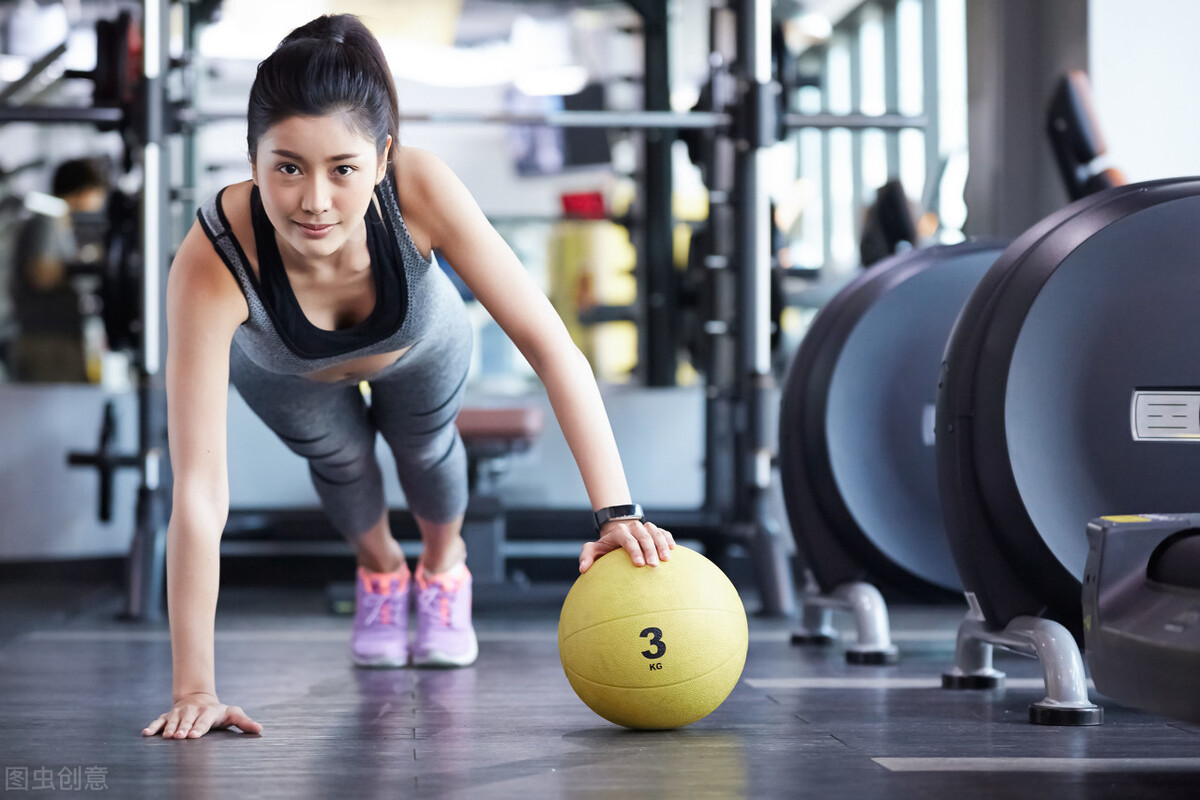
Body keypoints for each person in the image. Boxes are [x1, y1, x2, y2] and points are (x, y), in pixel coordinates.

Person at [142, 14, 675, 741]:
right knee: (339, 460)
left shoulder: (420, 187)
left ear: (383, 155)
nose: (315, 201)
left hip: (418, 343)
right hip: (284, 369)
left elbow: (555, 350)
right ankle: (384, 573)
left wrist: (617, 516)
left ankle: (442, 565)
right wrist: (194, 688)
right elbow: (200, 491)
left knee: (424, 449)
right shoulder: (212, 259)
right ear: (252, 156)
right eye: (287, 167)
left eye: (344, 168)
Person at [9, 158, 108, 382]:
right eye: (98, 194)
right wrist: (87, 264)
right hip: (49, 344)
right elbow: (42, 274)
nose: (99, 202)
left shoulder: (59, 221)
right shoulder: (48, 219)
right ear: (84, 192)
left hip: (58, 338)